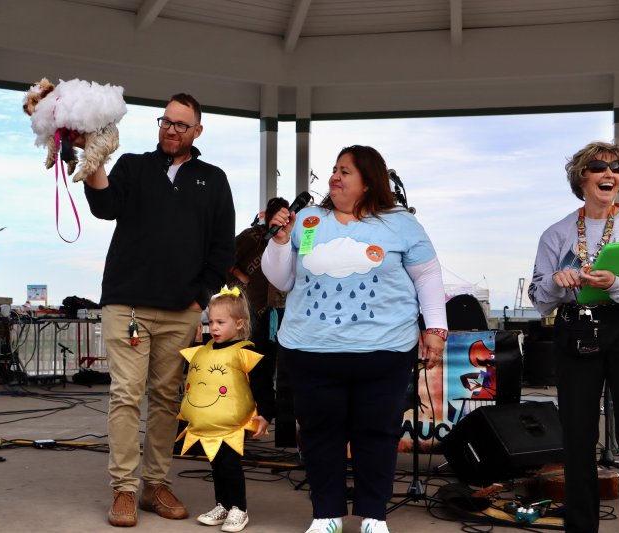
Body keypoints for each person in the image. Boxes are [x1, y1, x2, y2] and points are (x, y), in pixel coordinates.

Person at [261, 145, 447, 533]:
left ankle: (373, 515)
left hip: (384, 351)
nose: (335, 177)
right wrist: (279, 242)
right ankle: (326, 513)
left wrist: (434, 328)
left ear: (368, 181)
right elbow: (282, 280)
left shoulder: (401, 223)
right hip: (312, 351)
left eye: (345, 171)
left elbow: (428, 277)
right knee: (318, 434)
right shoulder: (307, 220)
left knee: (377, 434)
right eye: (334, 169)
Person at [81, 93, 236, 527]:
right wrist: (92, 156)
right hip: (126, 303)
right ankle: (124, 491)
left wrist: (199, 298)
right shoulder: (132, 165)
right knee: (126, 396)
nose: (170, 129)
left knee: (167, 399)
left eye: (181, 125)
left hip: (181, 310)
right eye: (165, 121)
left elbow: (223, 247)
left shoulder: (214, 178)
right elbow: (104, 206)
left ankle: (155, 485)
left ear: (197, 132)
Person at [528, 140, 619, 533]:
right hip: (576, 328)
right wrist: (556, 282)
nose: (610, 173)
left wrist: (618, 284)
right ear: (581, 178)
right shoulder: (556, 233)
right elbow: (539, 300)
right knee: (578, 433)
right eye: (600, 166)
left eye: (617, 167)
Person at [177, 287, 273, 532]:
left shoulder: (245, 352)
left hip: (231, 425)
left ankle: (239, 509)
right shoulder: (205, 349)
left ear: (239, 324)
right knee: (217, 466)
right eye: (211, 322)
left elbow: (262, 386)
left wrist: (265, 414)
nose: (215, 327)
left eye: (221, 322)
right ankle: (222, 504)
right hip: (209, 424)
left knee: (230, 466)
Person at [228, 197, 289, 441]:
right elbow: (224, 257)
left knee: (278, 368)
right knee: (253, 366)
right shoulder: (251, 237)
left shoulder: (289, 237)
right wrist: (240, 276)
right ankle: (245, 421)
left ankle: (270, 418)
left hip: (280, 309)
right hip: (251, 310)